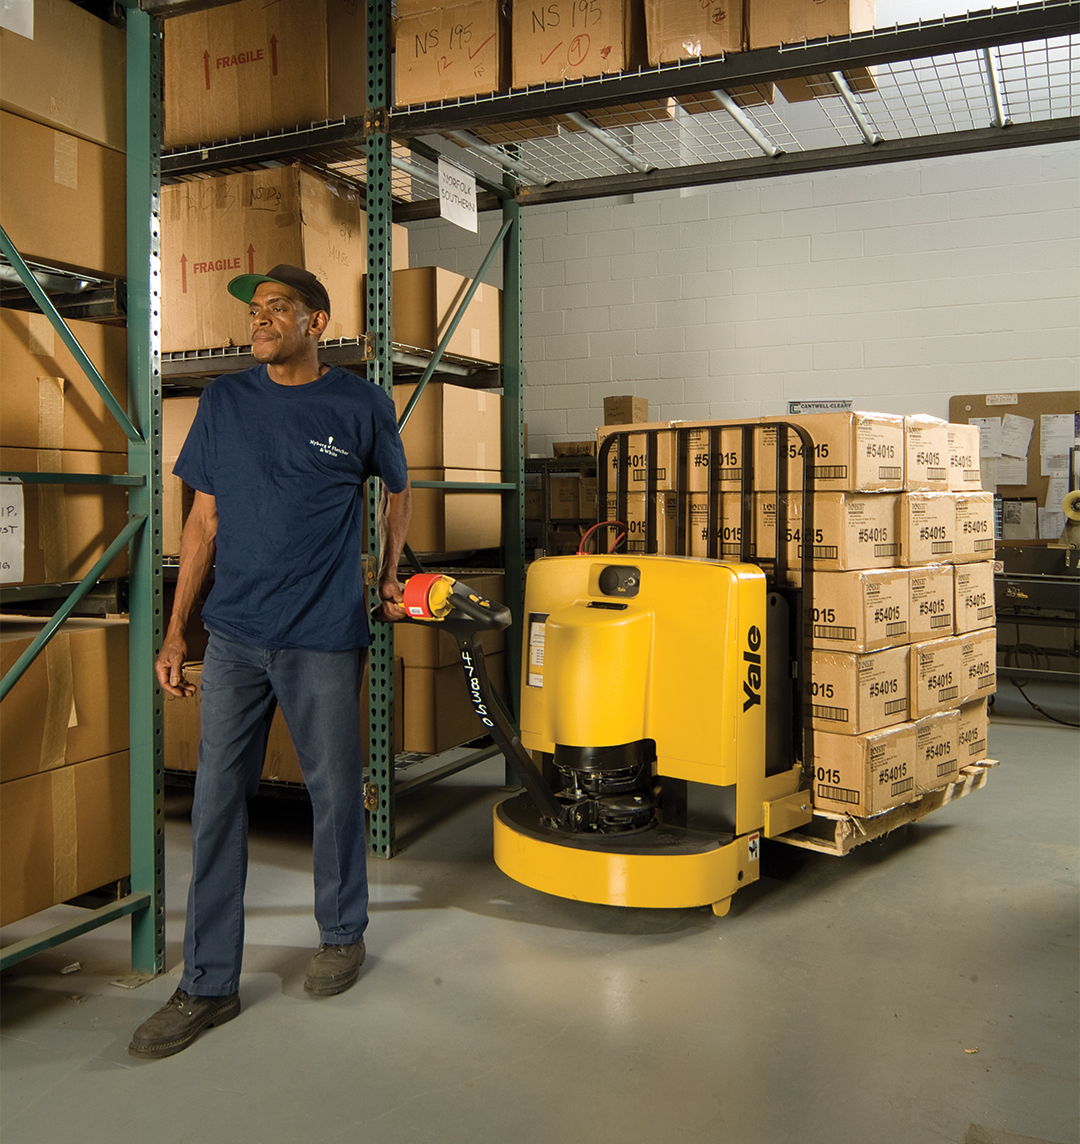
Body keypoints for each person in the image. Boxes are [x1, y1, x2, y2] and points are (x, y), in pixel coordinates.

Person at [129, 265, 411, 1058]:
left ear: (317, 323)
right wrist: (177, 631)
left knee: (335, 792)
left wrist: (389, 573)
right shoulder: (225, 402)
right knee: (217, 801)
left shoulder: (360, 404)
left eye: (277, 308)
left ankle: (342, 933)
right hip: (235, 637)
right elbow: (202, 522)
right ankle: (208, 982)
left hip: (323, 632)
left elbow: (398, 488)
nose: (259, 319)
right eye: (255, 310)